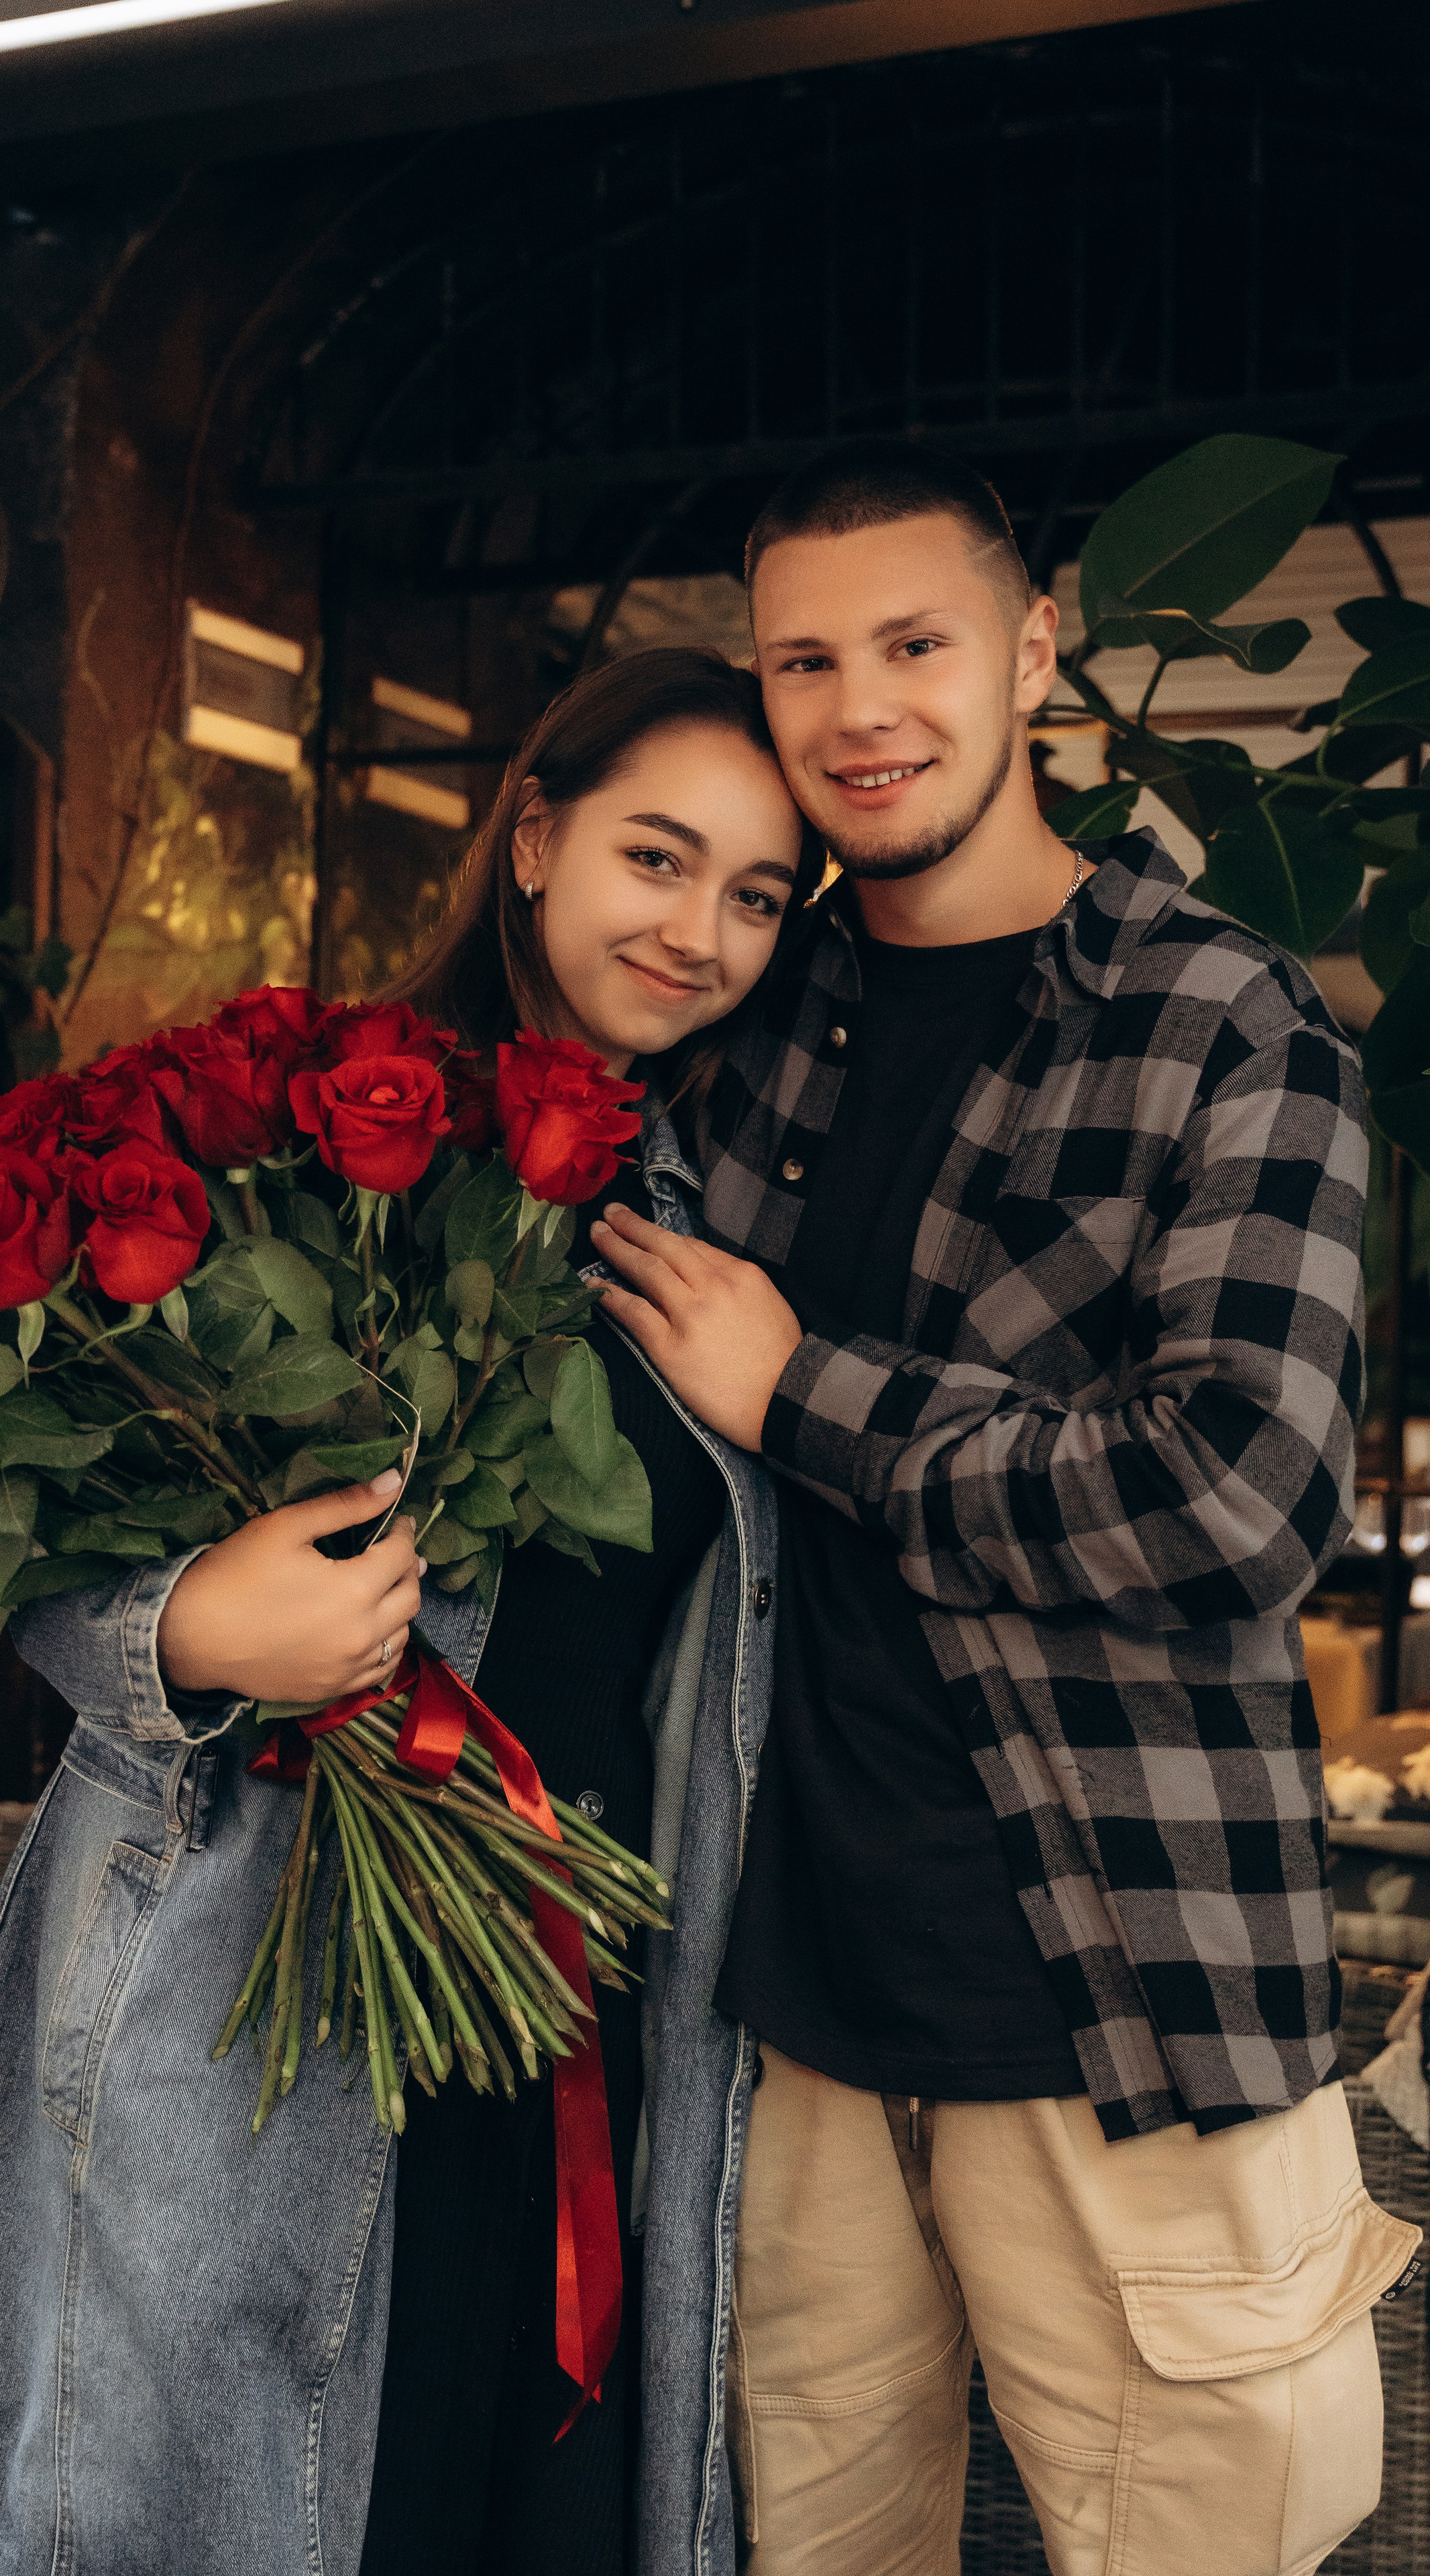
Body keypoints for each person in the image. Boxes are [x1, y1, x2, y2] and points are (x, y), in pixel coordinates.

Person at [0, 649, 819, 2576]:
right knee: (245, 2498)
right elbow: (30, 1549)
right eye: (657, 859)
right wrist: (186, 1630)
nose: (699, 934)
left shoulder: (702, 1224)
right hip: (254, 1992)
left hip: (572, 1996)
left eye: (756, 895)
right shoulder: (285, 1148)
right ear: (532, 838)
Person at [595, 444, 1423, 2576]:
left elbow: (1240, 1493)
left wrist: (809, 1394)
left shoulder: (1230, 1028)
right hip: (795, 2021)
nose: (859, 707)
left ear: (1034, 648)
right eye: (805, 659)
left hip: (1124, 2005)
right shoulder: (751, 1034)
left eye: (914, 644)